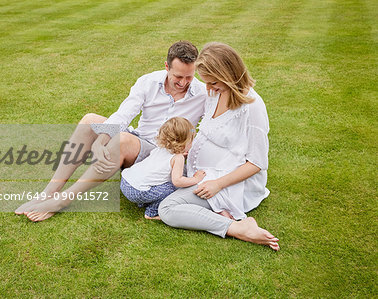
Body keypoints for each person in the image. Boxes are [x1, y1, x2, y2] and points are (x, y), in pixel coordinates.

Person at [15, 41, 207, 222]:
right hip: (140, 142)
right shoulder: (148, 82)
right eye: (178, 77)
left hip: (165, 155)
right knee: (90, 121)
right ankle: (50, 191)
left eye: (189, 77)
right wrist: (100, 140)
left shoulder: (203, 93)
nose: (183, 82)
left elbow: (213, 127)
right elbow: (124, 114)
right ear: (167, 67)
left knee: (123, 139)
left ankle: (62, 200)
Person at [158, 42, 280, 251]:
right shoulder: (215, 93)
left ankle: (237, 228)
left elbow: (257, 163)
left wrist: (218, 184)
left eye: (213, 82)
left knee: (167, 209)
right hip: (203, 174)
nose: (208, 88)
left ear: (229, 76)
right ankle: (223, 216)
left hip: (228, 182)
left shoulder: (252, 107)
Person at [121, 117, 206, 220]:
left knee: (155, 182)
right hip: (137, 191)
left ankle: (144, 200)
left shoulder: (160, 148)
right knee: (171, 188)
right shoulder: (177, 158)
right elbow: (177, 181)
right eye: (191, 141)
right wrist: (196, 179)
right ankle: (151, 213)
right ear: (183, 143)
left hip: (125, 182)